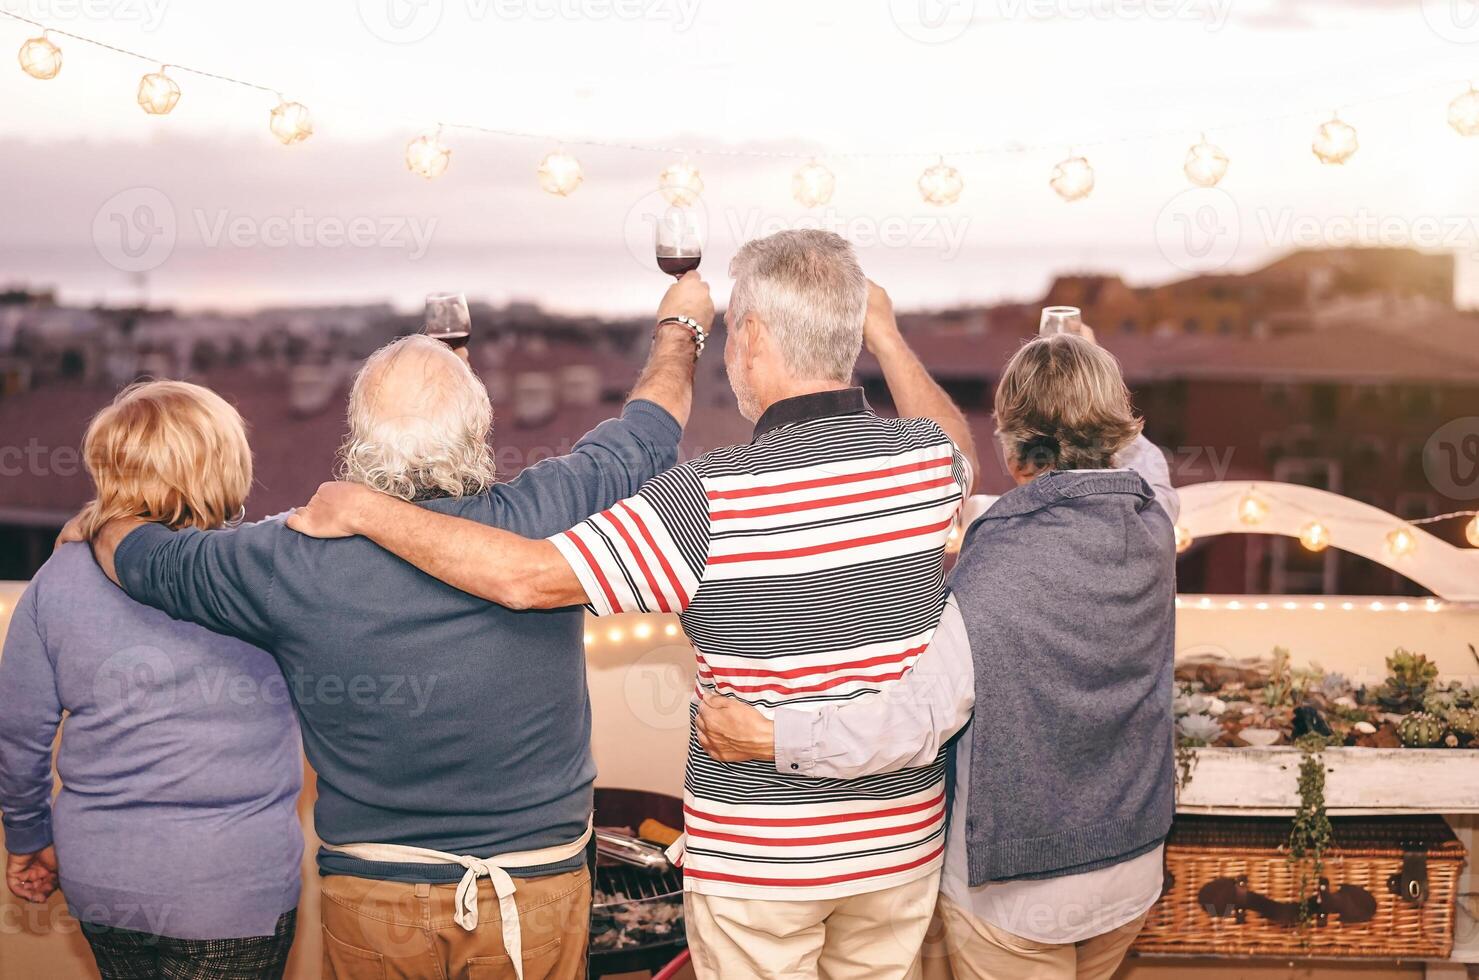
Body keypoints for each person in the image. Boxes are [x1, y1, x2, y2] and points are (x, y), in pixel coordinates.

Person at [287, 229, 980, 980]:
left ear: (747, 338)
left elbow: (528, 578)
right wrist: (884, 333)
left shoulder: (708, 497)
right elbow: (957, 443)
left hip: (763, 870)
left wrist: (368, 511)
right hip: (897, 850)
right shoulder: (926, 462)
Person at [74, 273, 711, 980]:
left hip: (375, 890)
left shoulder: (283, 558)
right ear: (476, 430)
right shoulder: (553, 510)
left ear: (359, 438)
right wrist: (679, 328)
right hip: (534, 887)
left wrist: (110, 517)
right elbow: (649, 431)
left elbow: (147, 561)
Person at [693, 331, 1180, 980]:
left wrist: (771, 734)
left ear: (1009, 438)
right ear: (1116, 423)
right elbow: (1147, 468)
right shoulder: (1154, 524)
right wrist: (1088, 365)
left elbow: (918, 719)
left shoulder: (996, 566)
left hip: (1018, 896)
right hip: (1129, 873)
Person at [0, 381, 303, 979]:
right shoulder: (265, 576)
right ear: (225, 462)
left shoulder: (56, 580)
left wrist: (27, 834)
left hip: (104, 879)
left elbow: (17, 735)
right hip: (232, 885)